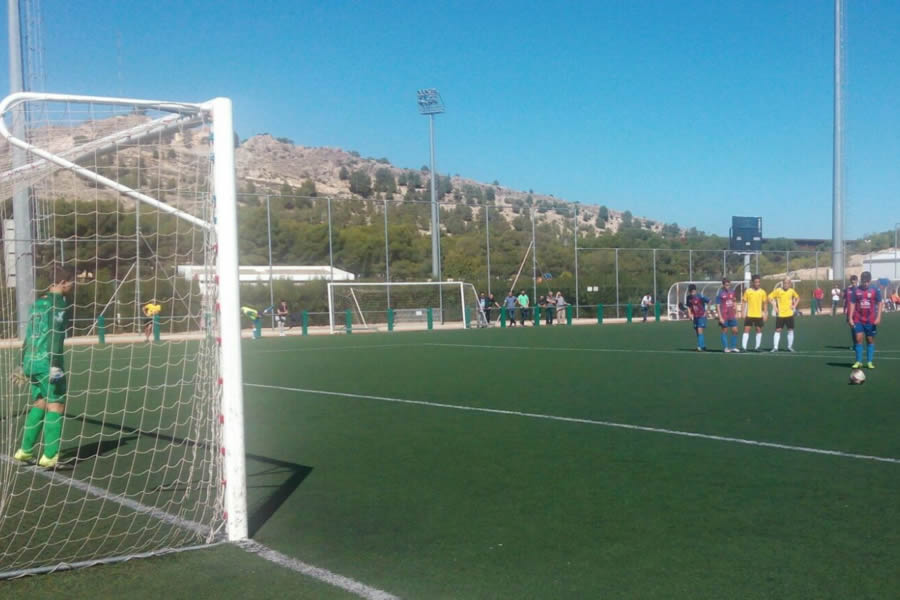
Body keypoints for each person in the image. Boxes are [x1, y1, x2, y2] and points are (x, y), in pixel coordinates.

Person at [13, 267, 75, 469]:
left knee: (40, 402)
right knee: (56, 405)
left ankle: (25, 451)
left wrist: (22, 364)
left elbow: (29, 334)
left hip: (31, 359)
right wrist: (55, 365)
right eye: (72, 281)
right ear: (63, 282)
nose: (73, 286)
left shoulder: (37, 304)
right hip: (47, 362)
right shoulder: (59, 305)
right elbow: (56, 337)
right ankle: (50, 456)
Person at [848, 271, 882, 369]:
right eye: (863, 281)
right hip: (858, 319)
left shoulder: (875, 290)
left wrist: (879, 317)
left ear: (870, 281)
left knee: (869, 339)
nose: (865, 283)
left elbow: (880, 303)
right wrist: (850, 318)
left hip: (870, 320)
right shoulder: (856, 290)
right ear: (861, 280)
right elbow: (852, 303)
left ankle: (869, 362)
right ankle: (858, 361)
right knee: (858, 338)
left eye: (867, 281)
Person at [769, 277, 799, 352]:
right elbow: (769, 297)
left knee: (790, 330)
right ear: (783, 283)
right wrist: (775, 306)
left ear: (790, 284)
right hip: (780, 314)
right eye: (785, 283)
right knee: (778, 330)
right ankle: (775, 347)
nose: (786, 284)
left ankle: (790, 347)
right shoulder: (778, 290)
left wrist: (794, 306)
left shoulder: (792, 291)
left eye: (788, 283)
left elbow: (798, 298)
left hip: (789, 314)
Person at [741, 274, 768, 351]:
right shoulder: (748, 291)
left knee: (759, 330)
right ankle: (744, 347)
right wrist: (743, 312)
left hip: (759, 315)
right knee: (746, 330)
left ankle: (757, 347)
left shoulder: (762, 292)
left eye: (759, 282)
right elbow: (744, 302)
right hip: (749, 315)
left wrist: (765, 314)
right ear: (752, 282)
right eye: (756, 282)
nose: (757, 283)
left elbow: (765, 303)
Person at [716, 278, 740, 352]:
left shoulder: (732, 292)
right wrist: (720, 317)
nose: (728, 286)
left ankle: (733, 347)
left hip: (731, 315)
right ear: (723, 285)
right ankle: (726, 348)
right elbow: (717, 306)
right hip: (724, 315)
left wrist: (736, 310)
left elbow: (734, 301)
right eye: (726, 285)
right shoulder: (720, 294)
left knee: (735, 330)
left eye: (729, 285)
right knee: (724, 331)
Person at [685, 284, 710, 351]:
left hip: (701, 315)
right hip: (695, 316)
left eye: (693, 291)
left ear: (695, 290)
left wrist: (707, 311)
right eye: (690, 291)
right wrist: (690, 314)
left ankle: (699, 347)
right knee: (697, 332)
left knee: (699, 330)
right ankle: (703, 346)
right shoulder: (688, 298)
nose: (692, 293)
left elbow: (709, 301)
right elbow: (689, 306)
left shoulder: (700, 296)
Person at [844, 275, 858, 349]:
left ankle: (858, 344)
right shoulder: (848, 289)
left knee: (857, 329)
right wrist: (845, 309)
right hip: (849, 312)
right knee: (852, 329)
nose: (853, 282)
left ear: (857, 281)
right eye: (852, 281)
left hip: (857, 312)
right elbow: (846, 300)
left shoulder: (859, 289)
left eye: (854, 280)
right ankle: (855, 344)